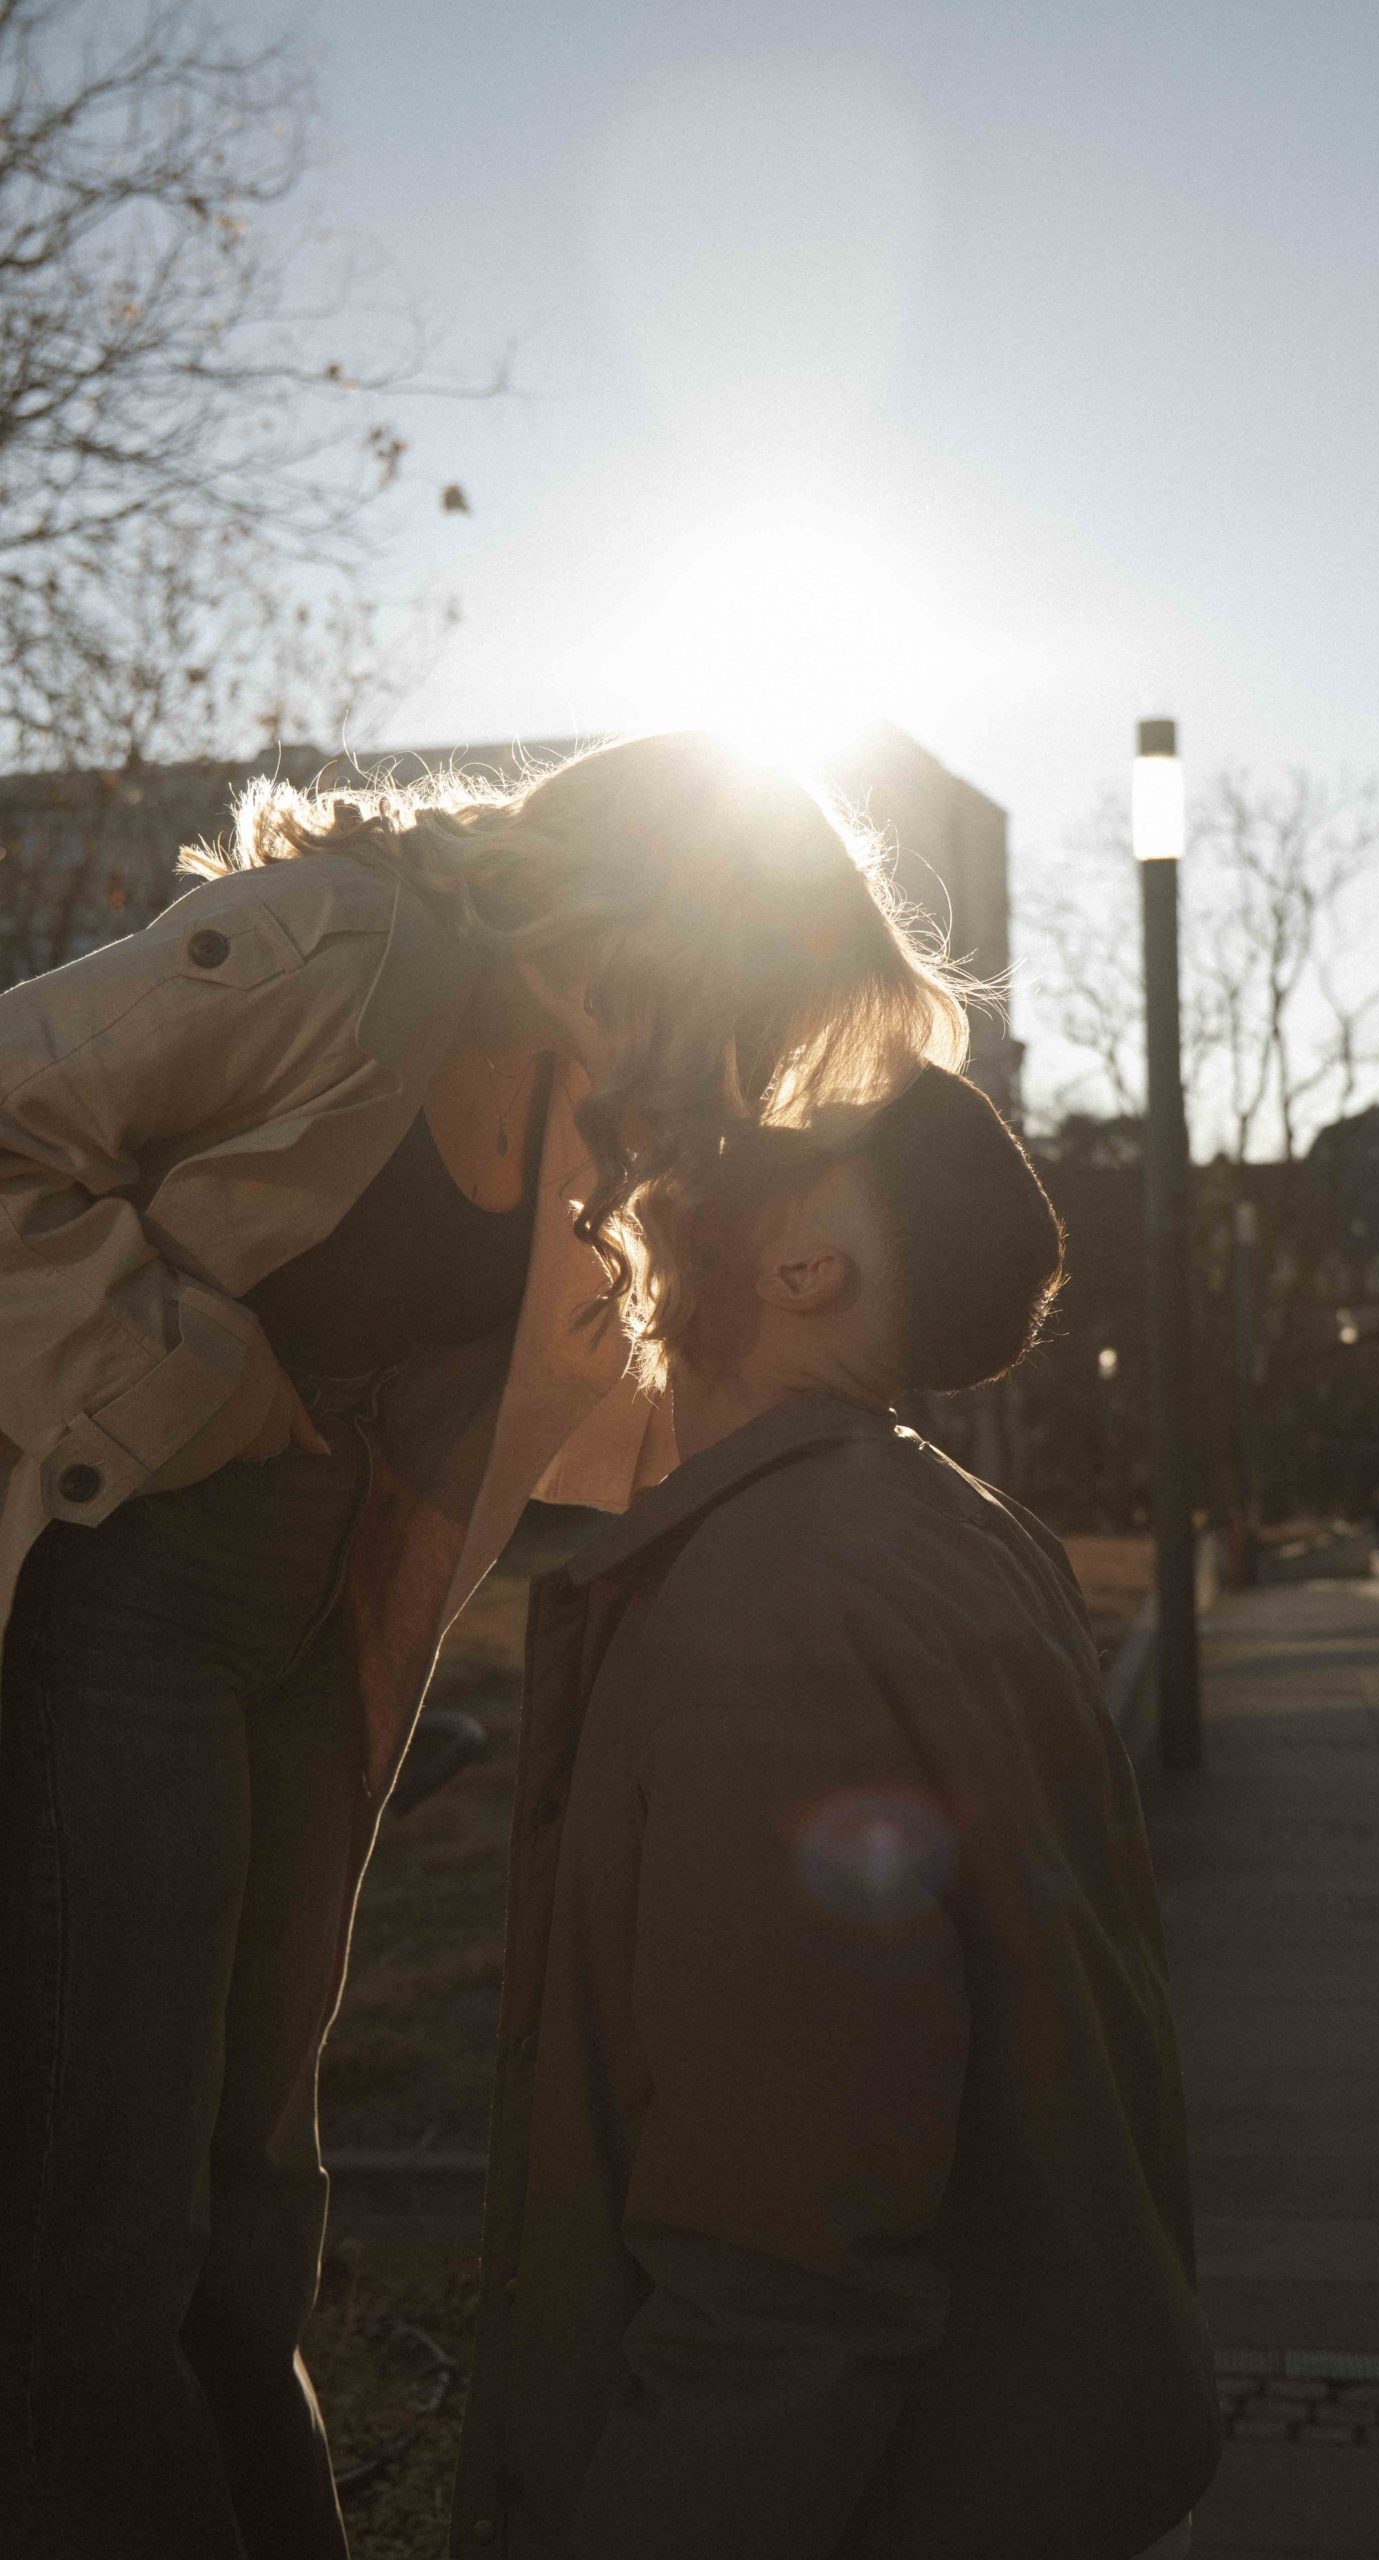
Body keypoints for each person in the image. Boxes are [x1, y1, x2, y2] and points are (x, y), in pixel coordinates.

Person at [0, 733, 966, 2560]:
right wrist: (188, 1375)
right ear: (665, 921)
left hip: (301, 1655)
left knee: (247, 2223)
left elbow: (651, 1426)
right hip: (115, 1615)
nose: (751, 1064)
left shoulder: (595, 1131)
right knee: (90, 2241)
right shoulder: (336, 951)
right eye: (759, 1001)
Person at [453, 1066, 1219, 2560]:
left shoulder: (774, 1614)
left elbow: (783, 2282)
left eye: (769, 1138)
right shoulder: (957, 1535)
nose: (689, 1143)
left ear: (810, 1264)